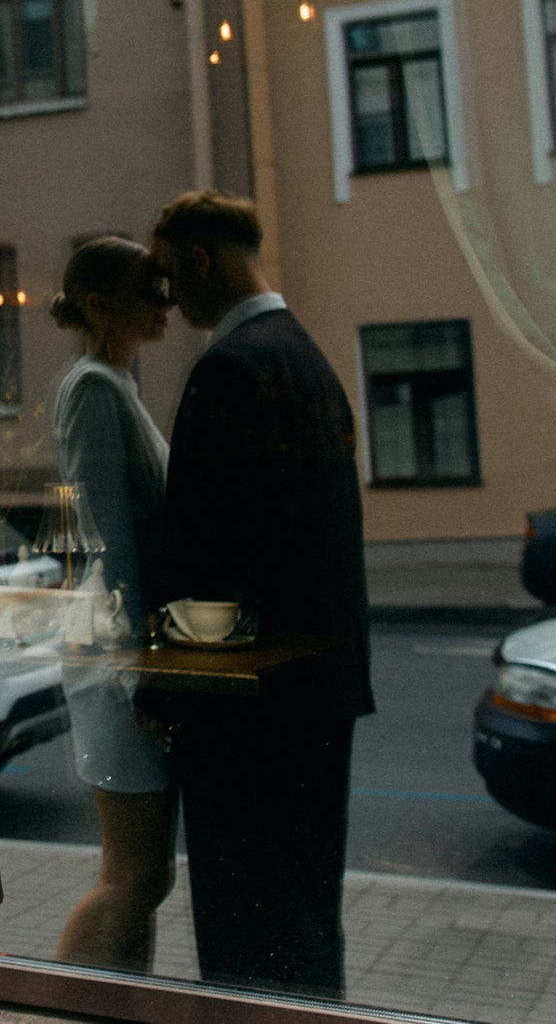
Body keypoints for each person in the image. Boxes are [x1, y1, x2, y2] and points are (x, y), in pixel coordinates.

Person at [143, 190, 373, 999]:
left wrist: (165, 686)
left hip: (245, 711)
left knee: (246, 932)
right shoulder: (309, 361)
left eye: (171, 274)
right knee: (307, 915)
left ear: (200, 259)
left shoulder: (231, 370)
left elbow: (208, 557)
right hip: (317, 697)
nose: (169, 297)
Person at [45, 235, 176, 973]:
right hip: (114, 662)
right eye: (147, 289)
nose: (164, 303)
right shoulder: (94, 388)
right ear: (101, 304)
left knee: (144, 875)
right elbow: (111, 542)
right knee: (133, 873)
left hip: (120, 653)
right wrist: (139, 672)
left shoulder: (115, 384)